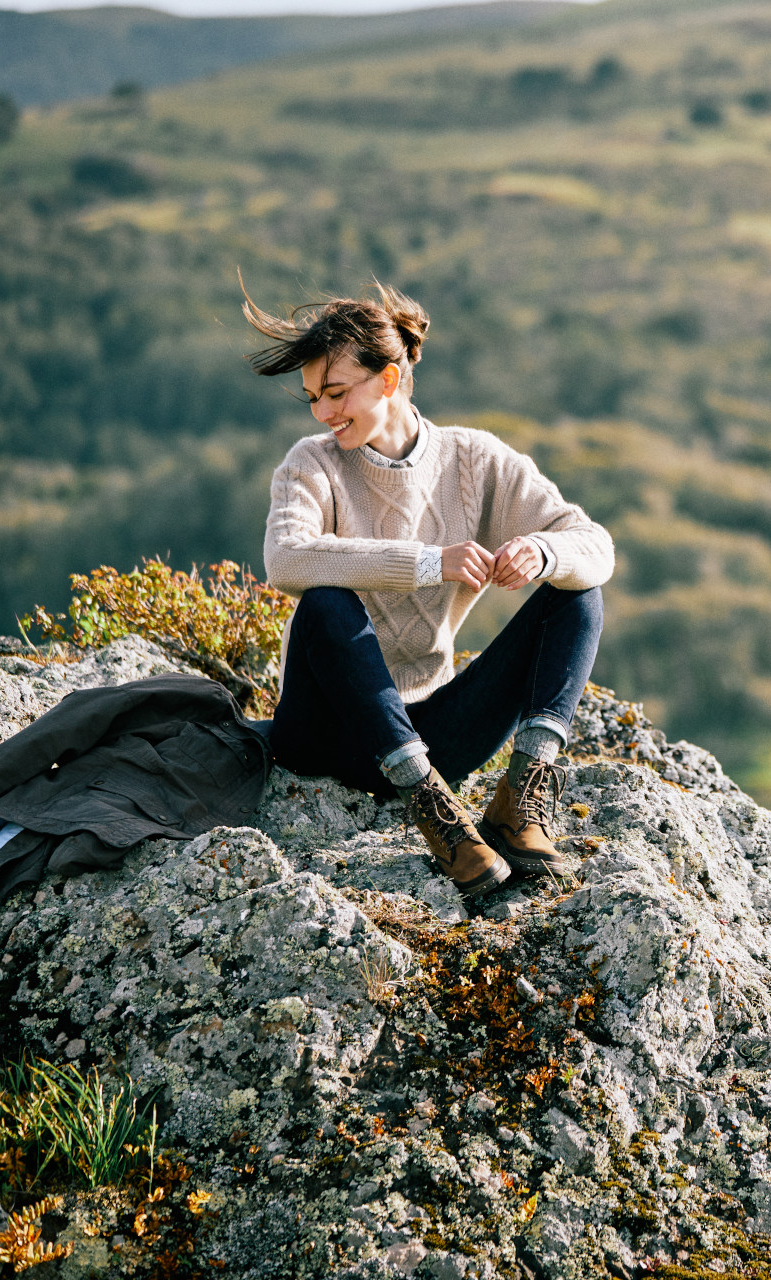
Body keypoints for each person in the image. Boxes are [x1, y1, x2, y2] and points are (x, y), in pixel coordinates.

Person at [244, 282, 613, 899]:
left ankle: (519, 804)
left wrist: (542, 550)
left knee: (577, 592)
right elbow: (285, 559)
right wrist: (427, 562)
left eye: (336, 394)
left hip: (432, 727)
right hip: (323, 734)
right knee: (326, 602)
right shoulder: (311, 463)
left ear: (388, 381)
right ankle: (435, 815)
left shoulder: (474, 460)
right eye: (314, 398)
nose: (323, 413)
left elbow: (594, 544)